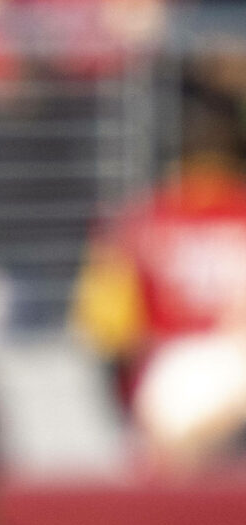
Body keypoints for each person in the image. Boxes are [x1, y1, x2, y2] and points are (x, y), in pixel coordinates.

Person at [73, 87, 246, 464]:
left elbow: (105, 335)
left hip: (177, 391)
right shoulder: (138, 220)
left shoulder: (135, 220)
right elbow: (106, 332)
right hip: (195, 391)